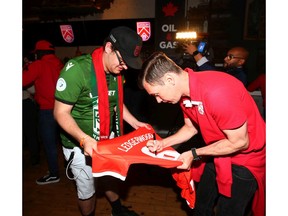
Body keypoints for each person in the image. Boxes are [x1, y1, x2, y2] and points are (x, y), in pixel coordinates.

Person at [139, 52, 265, 216]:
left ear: (170, 80)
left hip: (245, 160)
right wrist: (163, 143)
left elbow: (240, 143)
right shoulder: (186, 93)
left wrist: (194, 153)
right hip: (218, 151)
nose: (158, 100)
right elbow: (190, 128)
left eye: (156, 94)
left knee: (227, 212)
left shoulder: (216, 93)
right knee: (200, 205)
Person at [53, 26, 148, 216]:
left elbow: (116, 104)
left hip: (107, 139)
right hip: (80, 144)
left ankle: (117, 211)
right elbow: (60, 112)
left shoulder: (117, 72)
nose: (126, 67)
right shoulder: (77, 70)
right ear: (108, 48)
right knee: (87, 191)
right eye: (124, 61)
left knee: (110, 178)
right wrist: (84, 139)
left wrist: (135, 122)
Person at [23, 40, 64, 184]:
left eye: (37, 53)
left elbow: (22, 81)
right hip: (64, 109)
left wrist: (26, 66)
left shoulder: (38, 65)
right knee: (66, 141)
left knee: (49, 144)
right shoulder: (60, 64)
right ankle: (71, 169)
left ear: (40, 52)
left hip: (47, 111)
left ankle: (54, 174)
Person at [182, 43, 249, 86]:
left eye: (230, 57)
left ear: (241, 62)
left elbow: (213, 73)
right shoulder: (231, 71)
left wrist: (195, 53)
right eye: (227, 56)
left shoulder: (240, 76)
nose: (225, 59)